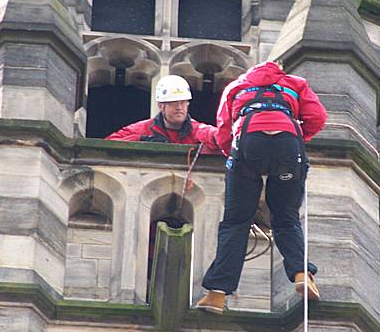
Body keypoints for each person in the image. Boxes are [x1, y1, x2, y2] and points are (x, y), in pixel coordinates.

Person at [196, 61, 327, 314]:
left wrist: (230, 152)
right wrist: (298, 140)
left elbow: (224, 128)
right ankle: (302, 275)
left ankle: (217, 294)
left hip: (248, 142)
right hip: (288, 144)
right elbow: (317, 118)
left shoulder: (237, 86)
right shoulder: (295, 83)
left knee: (236, 221)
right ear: (279, 69)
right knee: (286, 218)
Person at [105, 74, 217, 149]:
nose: (179, 107)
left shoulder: (197, 130)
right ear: (161, 106)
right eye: (173, 102)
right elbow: (108, 145)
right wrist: (141, 140)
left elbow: (215, 135)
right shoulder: (144, 129)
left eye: (183, 102)